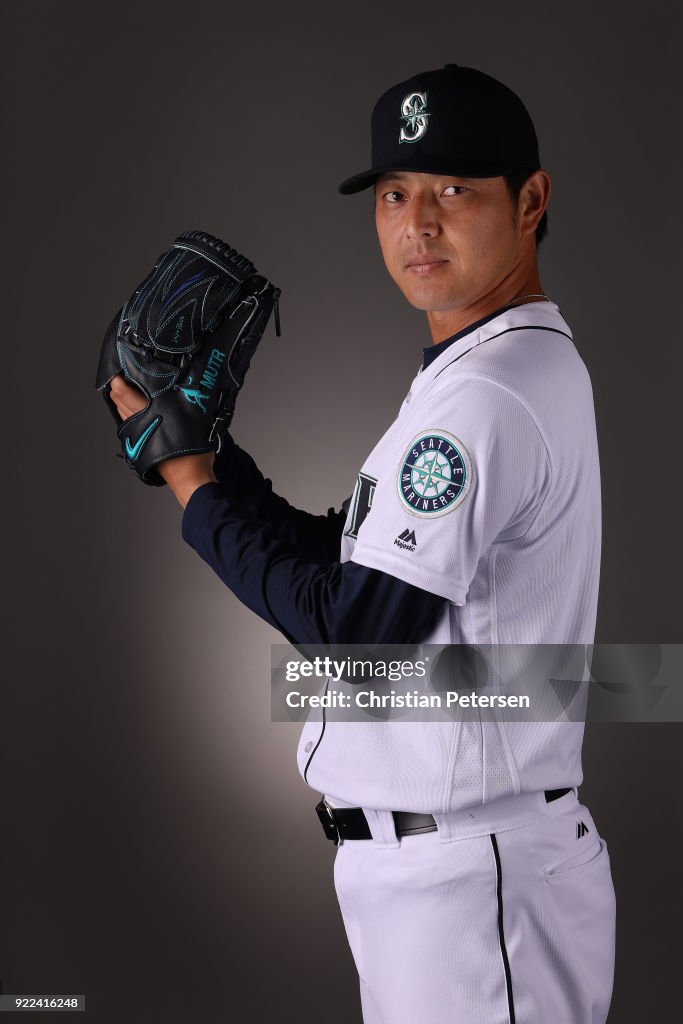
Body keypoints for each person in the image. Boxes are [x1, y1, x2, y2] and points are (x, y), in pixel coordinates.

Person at [108, 63, 616, 1024]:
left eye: (454, 191)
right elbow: (353, 560)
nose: (416, 223)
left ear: (532, 201)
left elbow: (360, 641)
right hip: (460, 874)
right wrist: (210, 461)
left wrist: (188, 481)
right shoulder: (493, 368)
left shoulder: (484, 396)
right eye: (394, 194)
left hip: (472, 884)